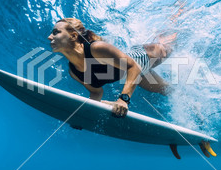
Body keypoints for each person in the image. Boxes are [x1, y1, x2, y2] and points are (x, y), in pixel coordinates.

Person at [47, 18, 177, 118]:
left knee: (168, 46)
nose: (49, 37)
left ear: (74, 36)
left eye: (55, 32)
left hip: (142, 57)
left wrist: (123, 100)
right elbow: (96, 92)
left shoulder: (96, 48)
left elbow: (133, 66)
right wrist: (86, 115)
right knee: (169, 91)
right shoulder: (74, 72)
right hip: (133, 74)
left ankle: (176, 18)